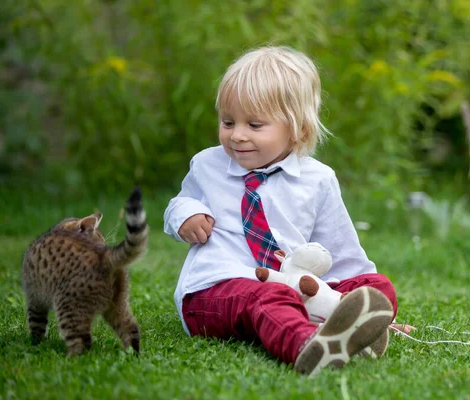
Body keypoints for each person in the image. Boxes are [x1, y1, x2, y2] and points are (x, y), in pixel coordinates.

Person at [164, 45, 410, 376]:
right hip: (215, 290)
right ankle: (307, 345)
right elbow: (181, 201)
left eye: (254, 124)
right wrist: (185, 216)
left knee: (376, 286)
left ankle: (355, 324)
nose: (237, 135)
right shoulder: (207, 164)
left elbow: (341, 250)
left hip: (290, 284)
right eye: (227, 121)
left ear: (297, 129)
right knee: (266, 298)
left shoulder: (318, 180)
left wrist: (357, 297)